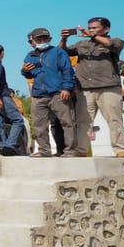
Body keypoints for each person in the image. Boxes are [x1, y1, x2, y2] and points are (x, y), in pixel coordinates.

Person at [62, 18, 124, 157]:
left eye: (94, 28)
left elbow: (111, 44)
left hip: (108, 88)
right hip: (85, 88)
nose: (91, 30)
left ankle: (121, 149)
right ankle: (82, 150)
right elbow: (63, 53)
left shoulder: (116, 42)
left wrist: (92, 35)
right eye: (90, 28)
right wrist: (64, 39)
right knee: (83, 122)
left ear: (106, 29)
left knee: (114, 119)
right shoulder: (82, 44)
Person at [21, 28, 76, 157]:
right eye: (39, 39)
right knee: (38, 125)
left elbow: (67, 70)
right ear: (33, 41)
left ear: (50, 39)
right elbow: (29, 74)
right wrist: (24, 71)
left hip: (58, 93)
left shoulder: (58, 52)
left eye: (45, 38)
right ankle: (44, 150)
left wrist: (66, 88)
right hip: (39, 94)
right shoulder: (30, 55)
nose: (42, 41)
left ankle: (70, 150)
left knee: (67, 122)